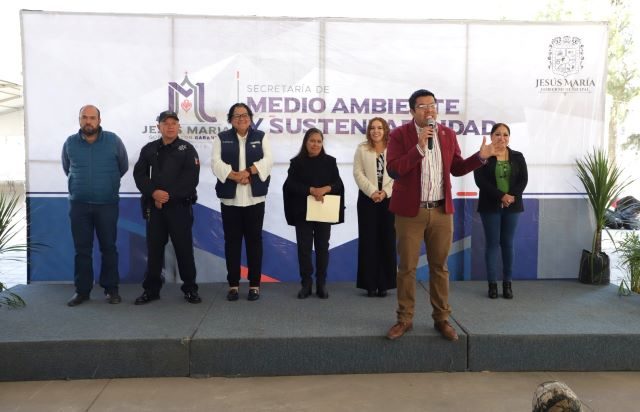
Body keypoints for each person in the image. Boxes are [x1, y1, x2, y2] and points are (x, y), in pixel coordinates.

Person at [385, 89, 496, 341]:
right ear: (412, 111)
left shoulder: (447, 134)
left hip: (441, 211)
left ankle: (442, 318)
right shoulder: (399, 135)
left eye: (432, 105)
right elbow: (393, 170)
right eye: (423, 106)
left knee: (440, 267)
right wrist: (418, 147)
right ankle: (404, 319)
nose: (429, 110)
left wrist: (480, 157)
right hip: (410, 213)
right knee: (407, 268)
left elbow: (457, 168)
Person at [62, 105, 129, 306]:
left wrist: (107, 184)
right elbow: (67, 168)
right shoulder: (70, 143)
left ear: (99, 120)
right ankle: (82, 291)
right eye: (84, 117)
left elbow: (123, 166)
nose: (88, 121)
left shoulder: (113, 140)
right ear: (79, 119)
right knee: (82, 250)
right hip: (79, 205)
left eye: (92, 117)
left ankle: (111, 289)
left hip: (106, 204)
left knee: (109, 248)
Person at [132, 110, 201, 305]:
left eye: (173, 123)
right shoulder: (149, 149)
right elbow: (139, 175)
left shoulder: (187, 150)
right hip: (155, 208)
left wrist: (165, 197)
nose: (170, 126)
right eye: (166, 123)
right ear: (159, 127)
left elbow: (190, 180)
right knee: (154, 250)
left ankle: (190, 289)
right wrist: (154, 193)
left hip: (179, 208)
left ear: (178, 126)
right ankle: (151, 290)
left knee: (184, 249)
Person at [211, 103, 273, 302]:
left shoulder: (261, 137)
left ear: (250, 117)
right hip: (230, 200)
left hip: (255, 199)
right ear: (231, 119)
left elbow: (268, 160)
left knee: (254, 242)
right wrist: (234, 176)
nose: (241, 118)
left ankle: (254, 285)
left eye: (245, 115)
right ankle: (233, 285)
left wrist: (248, 172)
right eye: (237, 115)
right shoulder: (221, 138)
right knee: (232, 243)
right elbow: (215, 163)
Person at [283, 128, 344, 299]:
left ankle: (321, 284)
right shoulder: (296, 163)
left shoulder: (330, 162)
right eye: (312, 141)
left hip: (323, 212)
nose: (315, 144)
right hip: (302, 212)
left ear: (322, 143)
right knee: (304, 249)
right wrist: (310, 190)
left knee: (322, 248)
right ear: (306, 142)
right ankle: (306, 284)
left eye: (319, 141)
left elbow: (338, 184)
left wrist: (326, 189)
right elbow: (290, 185)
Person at [473, 123, 528, 299]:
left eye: (505, 134)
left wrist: (511, 196)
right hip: (490, 205)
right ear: (491, 136)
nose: (501, 138)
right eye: (497, 134)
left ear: (509, 138)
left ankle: (507, 284)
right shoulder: (483, 155)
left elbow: (523, 180)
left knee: (507, 243)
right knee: (492, 244)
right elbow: (480, 181)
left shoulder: (518, 156)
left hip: (513, 206)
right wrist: (501, 196)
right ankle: (492, 285)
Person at [353, 117, 396, 297]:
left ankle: (384, 284)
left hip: (389, 199)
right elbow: (358, 173)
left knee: (387, 240)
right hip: (367, 200)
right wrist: (372, 192)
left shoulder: (394, 148)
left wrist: (385, 192)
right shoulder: (362, 148)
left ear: (385, 130)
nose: (375, 131)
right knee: (368, 241)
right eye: (372, 128)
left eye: (379, 128)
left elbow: (398, 174)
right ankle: (369, 284)